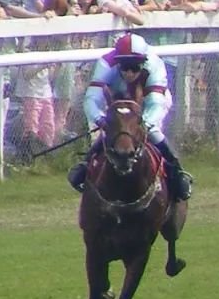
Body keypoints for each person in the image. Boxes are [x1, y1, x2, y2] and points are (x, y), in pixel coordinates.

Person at [69, 33, 193, 200]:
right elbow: (91, 99)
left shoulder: (154, 64)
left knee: (153, 132)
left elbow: (156, 104)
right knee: (114, 132)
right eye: (125, 66)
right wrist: (100, 120)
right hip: (119, 102)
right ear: (117, 62)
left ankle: (177, 173)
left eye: (134, 67)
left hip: (149, 101)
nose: (129, 72)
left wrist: (144, 123)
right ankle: (86, 165)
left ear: (143, 63)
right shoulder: (106, 64)